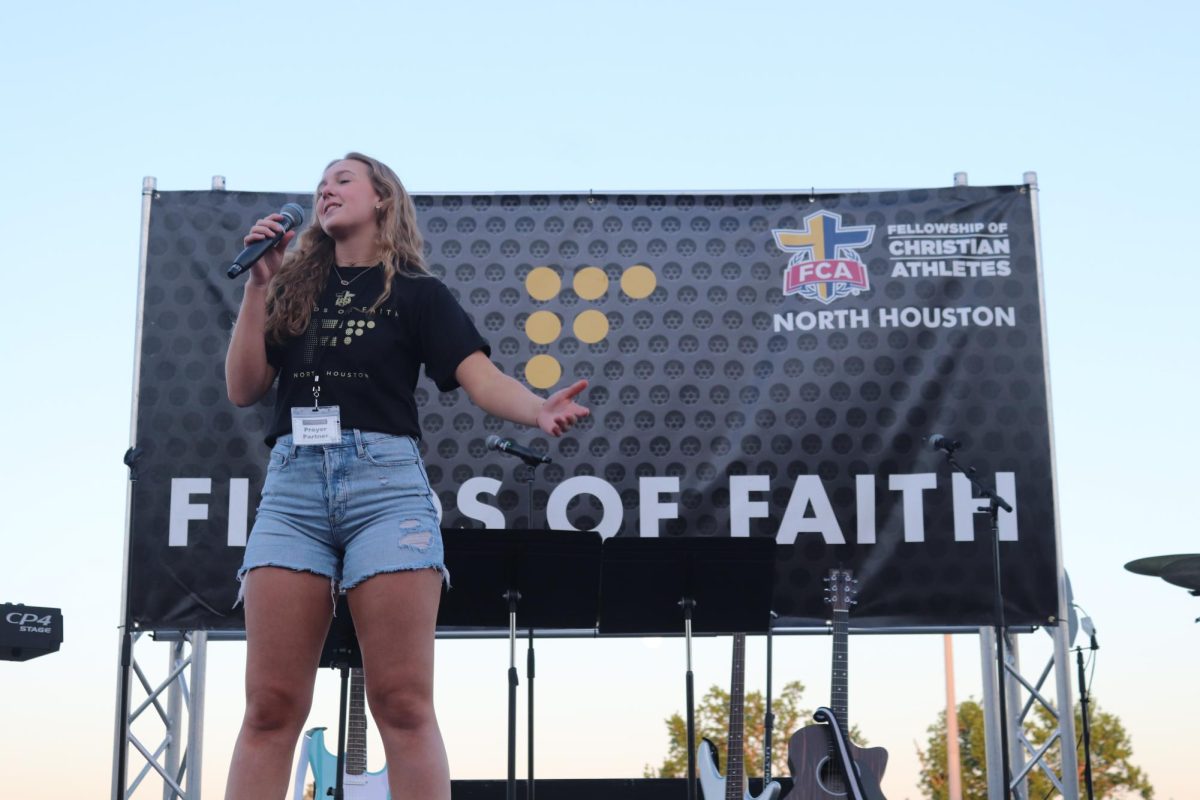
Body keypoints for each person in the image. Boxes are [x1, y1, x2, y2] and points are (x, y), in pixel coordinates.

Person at [224, 152, 589, 800]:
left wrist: (537, 409)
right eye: (321, 184)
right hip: (293, 492)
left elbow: (479, 377)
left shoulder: (418, 294)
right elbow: (245, 386)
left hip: (384, 490)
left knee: (402, 702)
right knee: (270, 706)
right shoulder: (291, 289)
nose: (326, 190)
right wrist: (257, 287)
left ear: (382, 200)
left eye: (343, 180)